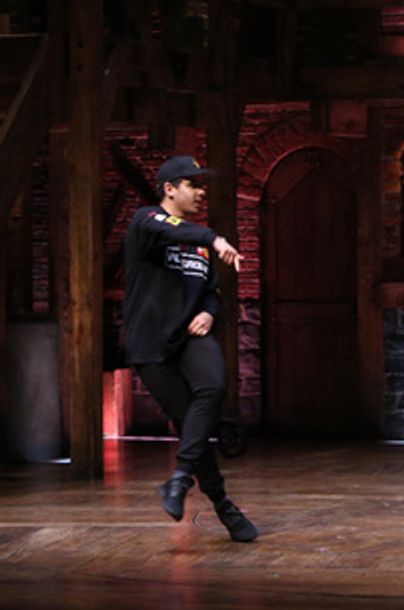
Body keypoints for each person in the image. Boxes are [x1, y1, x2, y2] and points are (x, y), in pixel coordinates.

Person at [123, 155, 257, 542]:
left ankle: (179, 478)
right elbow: (173, 230)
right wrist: (213, 237)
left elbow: (212, 293)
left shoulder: (197, 248)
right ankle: (224, 507)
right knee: (191, 428)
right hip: (150, 347)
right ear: (169, 188)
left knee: (214, 387)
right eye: (192, 185)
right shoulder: (145, 223)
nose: (200, 192)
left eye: (202, 186)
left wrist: (210, 314)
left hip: (190, 339)